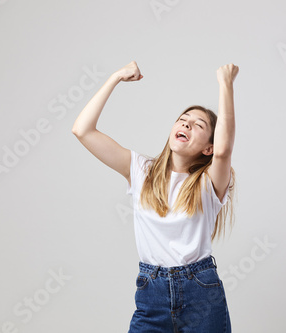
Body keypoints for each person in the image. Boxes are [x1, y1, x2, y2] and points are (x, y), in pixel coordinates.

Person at [72, 60, 238, 332]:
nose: (186, 124)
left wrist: (226, 85)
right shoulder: (140, 170)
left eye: (198, 125)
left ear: (208, 148)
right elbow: (82, 130)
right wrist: (115, 77)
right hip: (152, 291)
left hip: (201, 292)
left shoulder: (210, 183)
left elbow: (224, 151)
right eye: (183, 120)